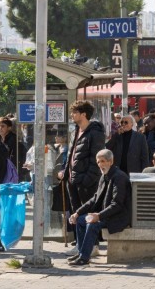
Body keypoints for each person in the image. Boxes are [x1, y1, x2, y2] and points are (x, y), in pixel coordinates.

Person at [68, 149, 131, 266]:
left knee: (92, 225)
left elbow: (117, 204)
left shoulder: (119, 177)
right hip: (105, 215)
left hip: (118, 217)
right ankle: (81, 252)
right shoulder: (104, 176)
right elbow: (95, 198)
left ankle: (84, 258)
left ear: (111, 161)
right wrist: (77, 213)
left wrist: (99, 216)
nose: (100, 165)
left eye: (103, 161)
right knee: (81, 220)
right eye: (98, 162)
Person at [58, 100, 105, 256]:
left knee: (89, 213)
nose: (72, 115)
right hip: (73, 179)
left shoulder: (95, 132)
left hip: (85, 181)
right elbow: (71, 155)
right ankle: (80, 245)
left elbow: (96, 159)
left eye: (75, 112)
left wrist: (88, 179)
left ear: (83, 114)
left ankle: (93, 246)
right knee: (76, 213)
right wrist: (65, 173)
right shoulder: (76, 131)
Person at [0, 117, 27, 182]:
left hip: (12, 172)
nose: (0, 128)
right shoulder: (0, 139)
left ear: (9, 128)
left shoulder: (12, 140)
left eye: (3, 126)